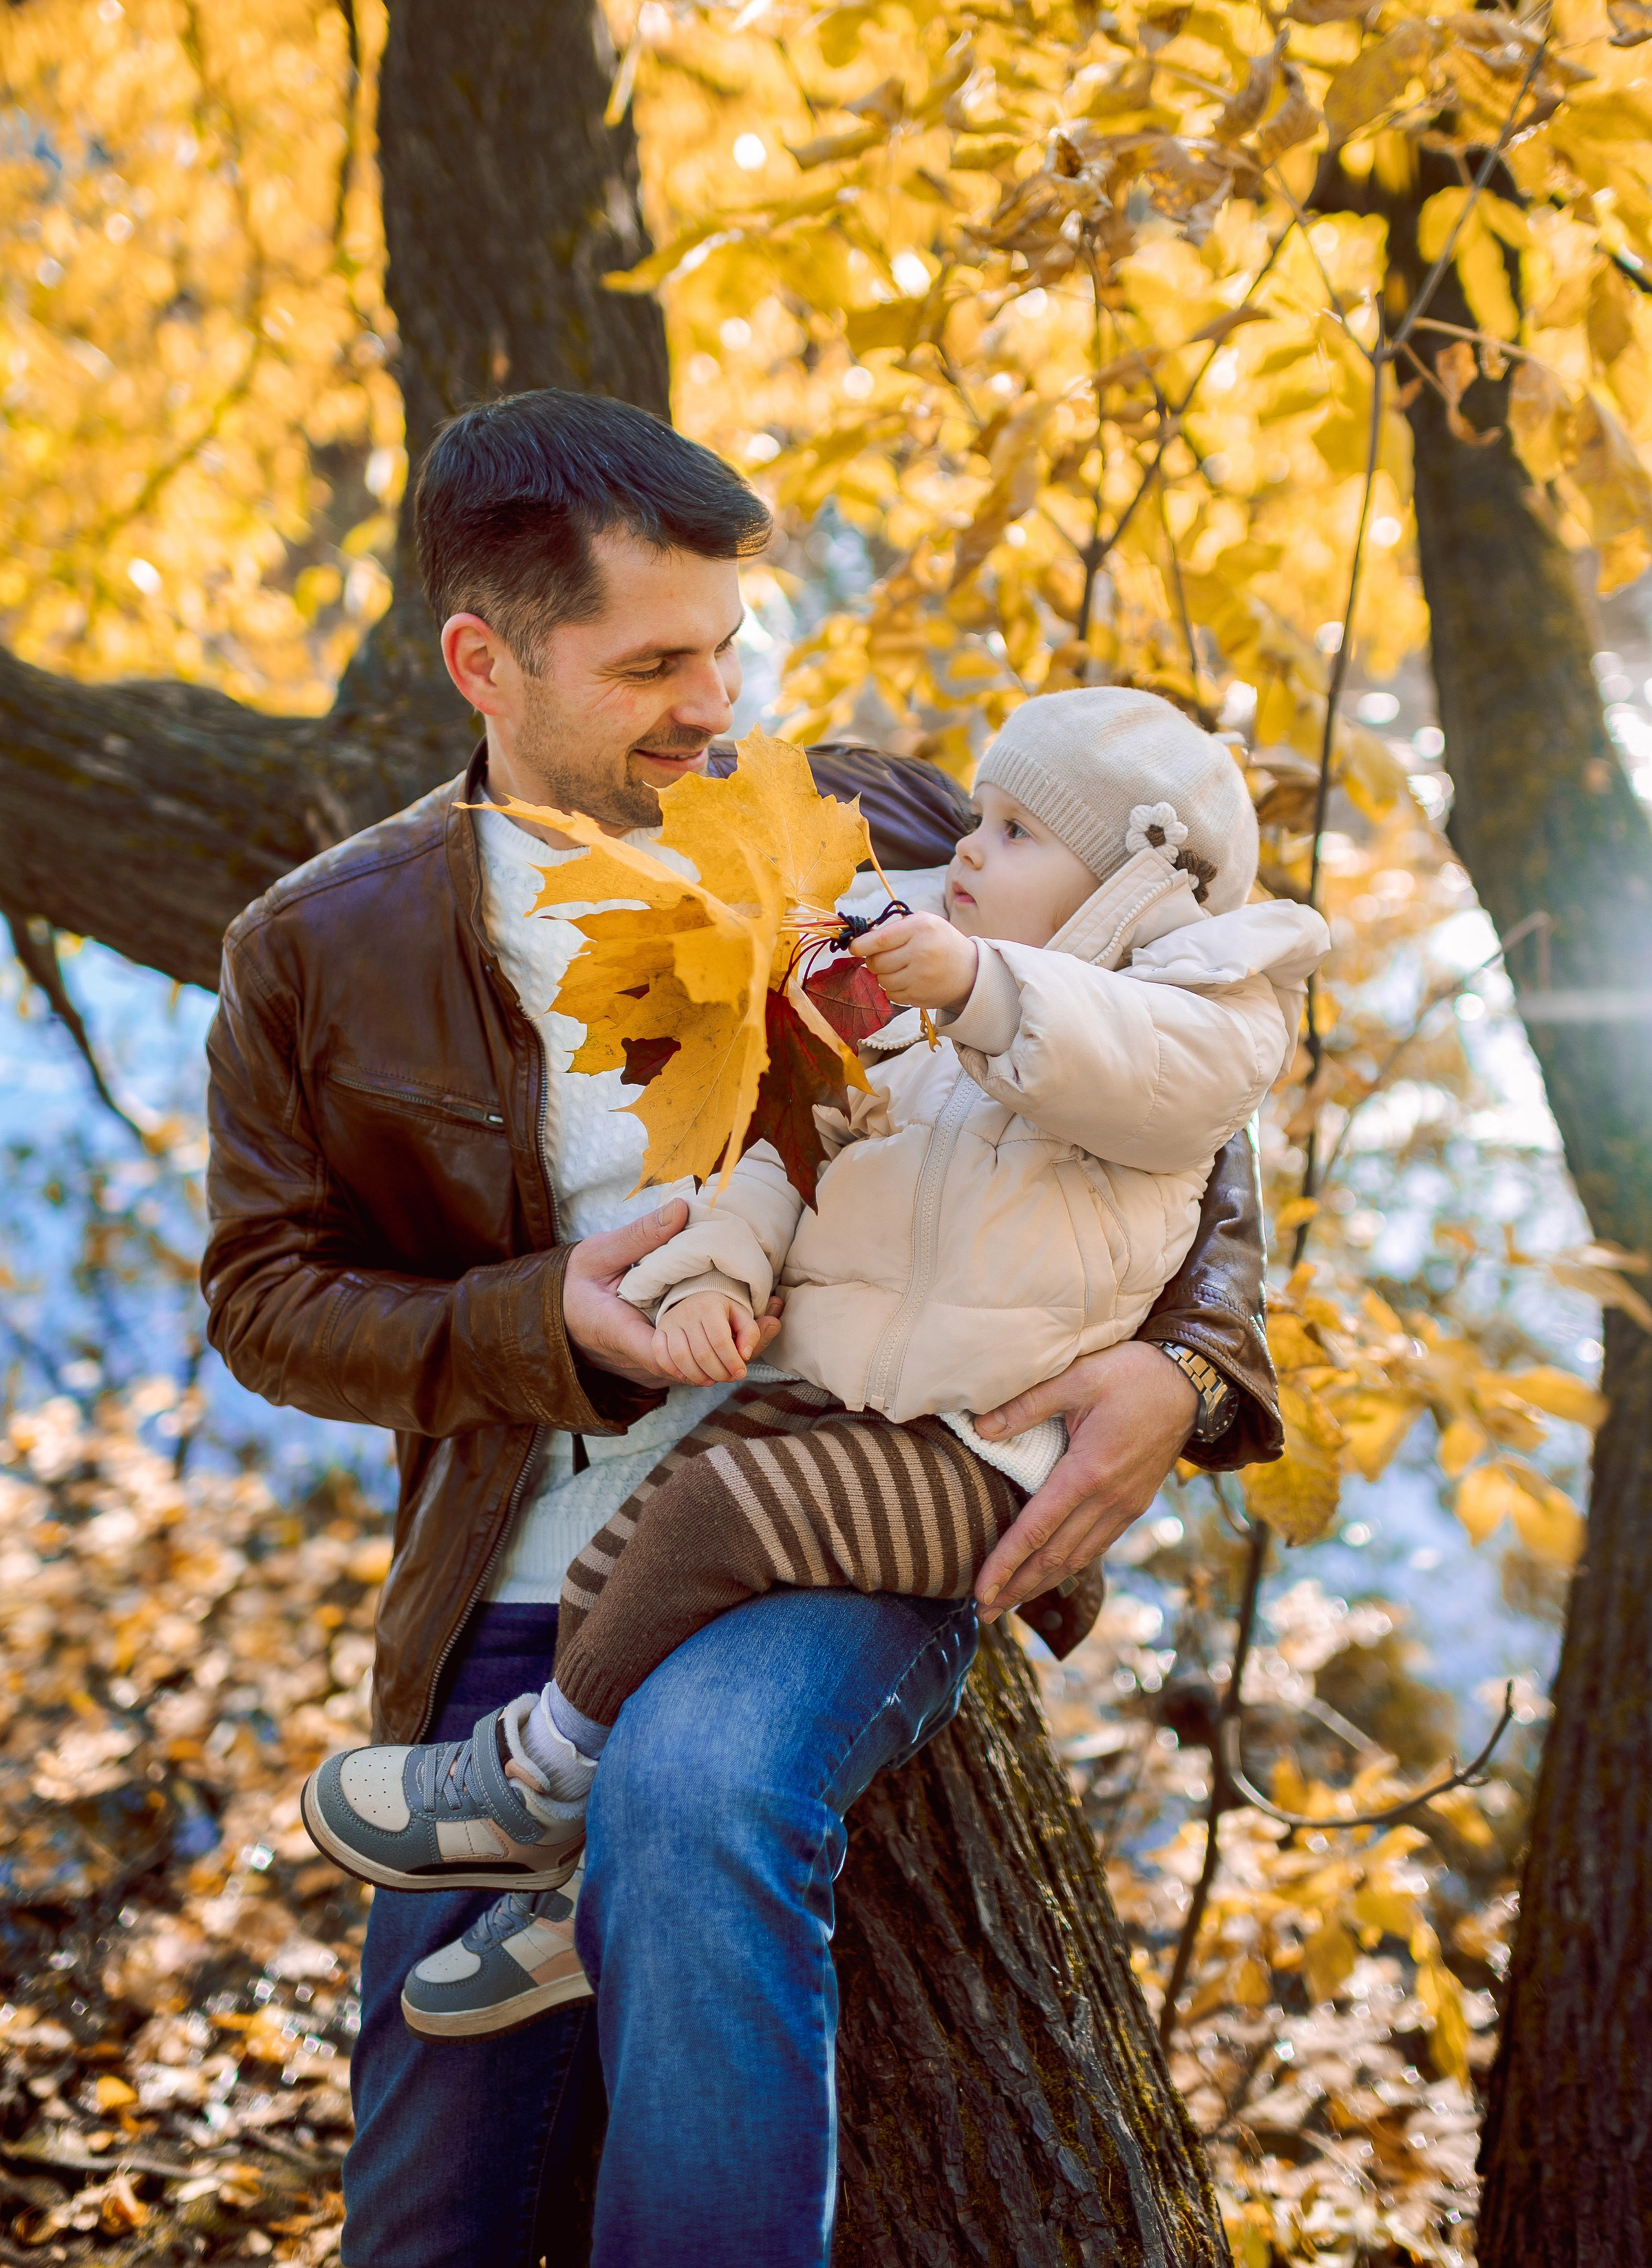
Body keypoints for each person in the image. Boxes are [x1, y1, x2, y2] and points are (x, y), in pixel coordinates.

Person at [201, 391, 1285, 2268]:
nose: (713, 706)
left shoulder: (862, 822)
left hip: (853, 1514)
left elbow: (1158, 1070)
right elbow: (265, 1300)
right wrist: (544, 1318)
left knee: (697, 1801)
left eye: (725, 648)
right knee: (426, 2217)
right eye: (650, 666)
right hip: (521, 1578)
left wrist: (1191, 1371)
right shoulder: (321, 946)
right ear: (487, 661)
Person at [301, 687, 1327, 2049]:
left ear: (1138, 877)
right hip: (861, 1404)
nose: (967, 849)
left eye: (1014, 829)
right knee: (627, 1544)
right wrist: (716, 1270)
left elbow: (1137, 1070)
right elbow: (806, 1152)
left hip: (987, 1454)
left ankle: (531, 1783)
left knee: (718, 1513)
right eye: (974, 816)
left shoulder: (1199, 1009)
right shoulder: (936, 1033)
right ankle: (584, 1899)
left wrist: (971, 983)